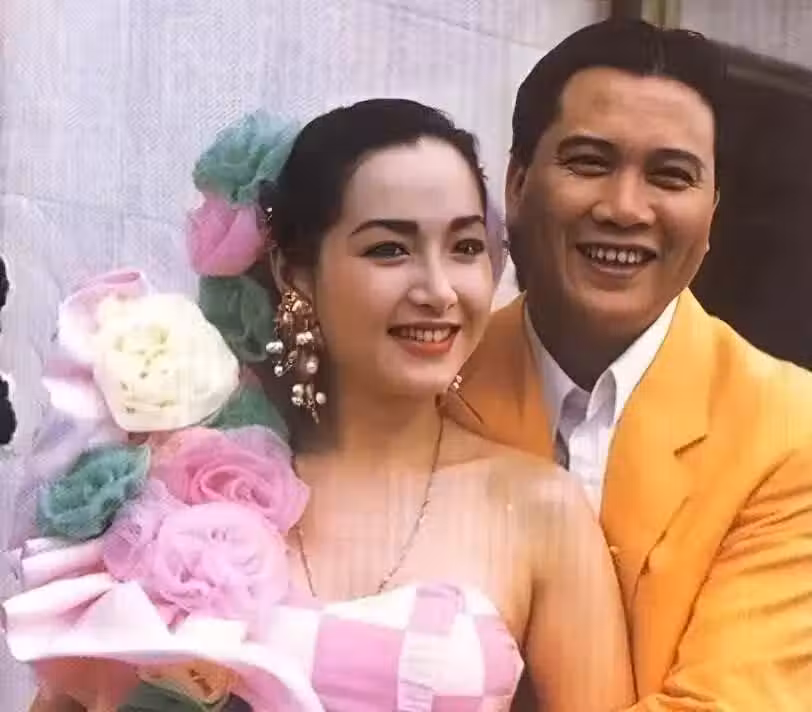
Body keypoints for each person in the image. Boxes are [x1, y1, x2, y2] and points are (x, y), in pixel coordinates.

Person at [15, 99, 633, 711]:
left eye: (466, 247)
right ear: (296, 273)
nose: (439, 289)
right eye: (389, 249)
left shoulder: (541, 511)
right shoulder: (190, 486)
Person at [446, 18, 812, 711]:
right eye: (589, 162)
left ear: (712, 213)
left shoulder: (791, 431)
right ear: (517, 184)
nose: (624, 209)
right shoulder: (432, 383)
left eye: (670, 176)